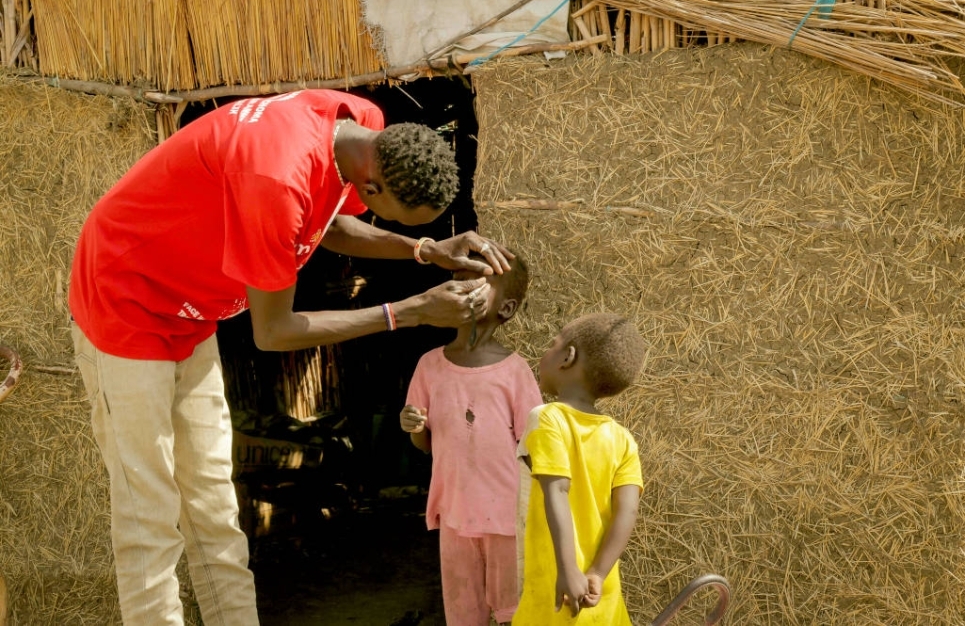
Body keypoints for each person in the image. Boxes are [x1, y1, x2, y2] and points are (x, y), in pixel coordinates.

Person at [68, 88, 512, 626]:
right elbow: (274, 332)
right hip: (126, 299)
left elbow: (328, 223)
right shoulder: (274, 177)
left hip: (190, 313)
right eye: (407, 220)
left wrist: (421, 250)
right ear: (372, 183)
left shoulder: (358, 126)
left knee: (212, 505)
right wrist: (409, 311)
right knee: (150, 513)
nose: (411, 233)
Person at [400, 252, 543, 626]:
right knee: (464, 614)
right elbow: (426, 444)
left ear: (506, 308)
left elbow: (534, 449)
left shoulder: (514, 371)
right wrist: (416, 428)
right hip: (455, 515)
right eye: (457, 280)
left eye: (476, 284)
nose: (462, 290)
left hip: (507, 519)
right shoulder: (429, 366)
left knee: (515, 613)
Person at [513, 313, 647, 625]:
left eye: (553, 345)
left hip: (557, 588)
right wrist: (597, 573)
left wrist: (568, 568)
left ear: (567, 357)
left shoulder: (547, 418)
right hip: (599, 591)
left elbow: (557, 488)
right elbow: (627, 512)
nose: (544, 353)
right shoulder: (623, 439)